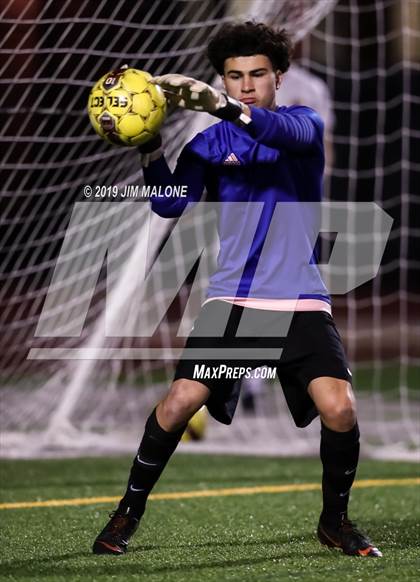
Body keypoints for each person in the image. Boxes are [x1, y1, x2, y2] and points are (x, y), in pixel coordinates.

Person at [92, 21, 381, 558]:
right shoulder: (210, 141)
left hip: (298, 298)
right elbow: (171, 202)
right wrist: (150, 147)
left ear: (279, 77)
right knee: (180, 403)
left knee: (340, 409)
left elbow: (276, 133)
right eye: (234, 77)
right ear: (223, 77)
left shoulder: (303, 124)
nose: (246, 85)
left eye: (257, 75)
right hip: (235, 300)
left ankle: (334, 522)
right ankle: (127, 513)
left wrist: (220, 104)